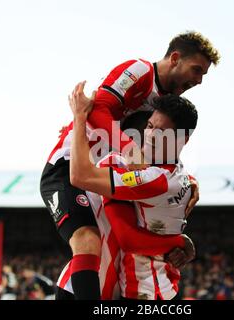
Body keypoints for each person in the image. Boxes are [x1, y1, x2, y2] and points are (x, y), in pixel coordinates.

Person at [40, 31, 219, 299]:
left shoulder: (165, 108)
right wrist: (129, 149)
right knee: (88, 240)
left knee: (109, 253)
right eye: (196, 70)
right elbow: (99, 109)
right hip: (68, 166)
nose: (199, 80)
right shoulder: (139, 70)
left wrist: (189, 180)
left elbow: (165, 150)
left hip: (107, 172)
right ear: (174, 58)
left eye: (203, 75)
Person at [66, 83, 198, 299]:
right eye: (149, 126)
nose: (150, 135)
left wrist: (80, 117)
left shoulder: (154, 180)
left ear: (182, 139)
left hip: (147, 289)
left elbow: (80, 176)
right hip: (160, 284)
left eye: (161, 131)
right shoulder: (179, 172)